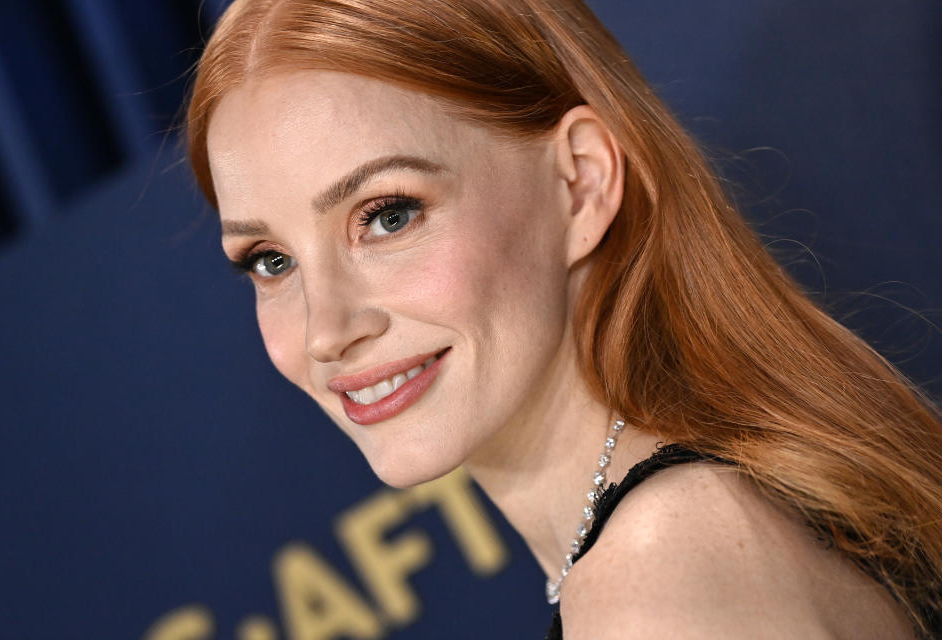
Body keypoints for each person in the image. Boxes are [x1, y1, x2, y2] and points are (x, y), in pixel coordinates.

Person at [185, 0, 942, 637]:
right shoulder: (682, 534)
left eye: (386, 216)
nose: (326, 331)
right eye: (270, 260)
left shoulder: (656, 580)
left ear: (579, 183)